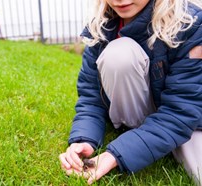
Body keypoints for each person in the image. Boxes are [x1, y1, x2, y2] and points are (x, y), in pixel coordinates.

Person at [59, 0, 202, 185]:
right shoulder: (101, 25)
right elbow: (91, 98)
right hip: (140, 116)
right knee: (119, 54)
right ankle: (142, 138)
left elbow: (182, 111)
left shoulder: (190, 23)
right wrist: (85, 139)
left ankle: (153, 142)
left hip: (190, 121)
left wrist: (115, 154)